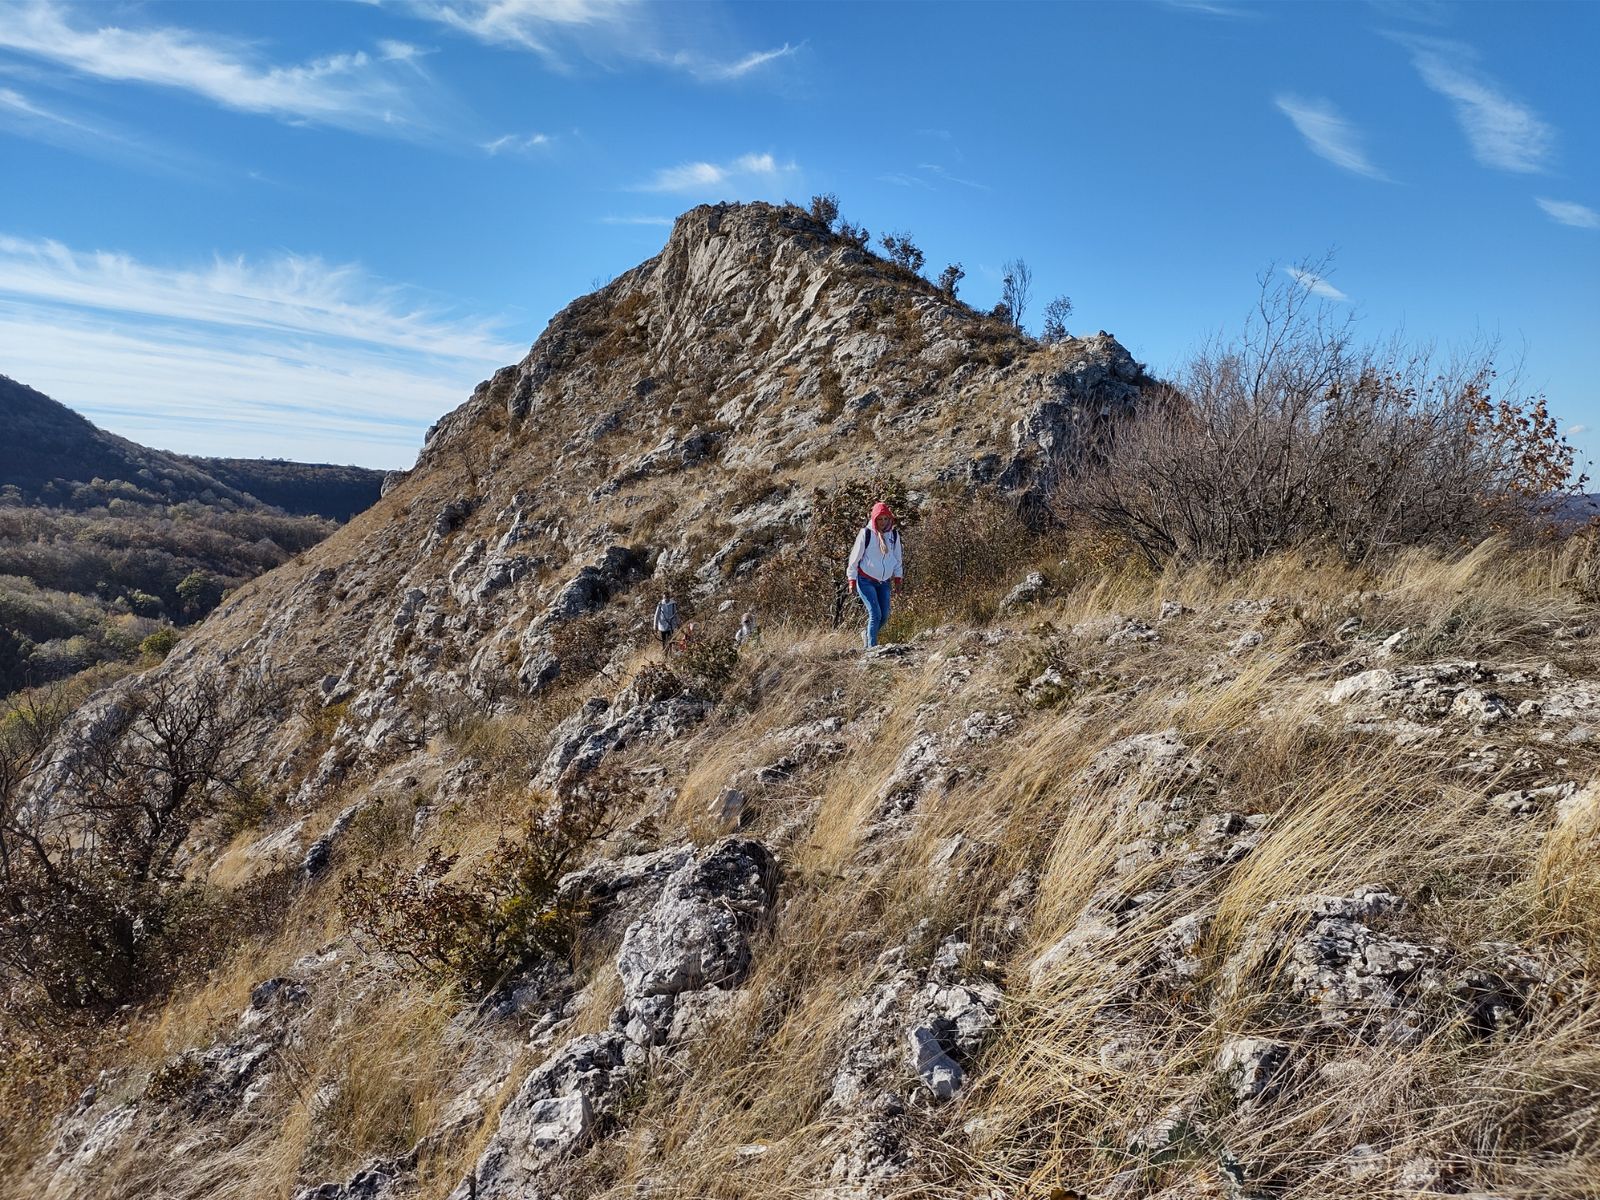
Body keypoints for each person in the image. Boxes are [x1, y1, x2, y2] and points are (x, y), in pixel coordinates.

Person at [846, 501, 904, 649]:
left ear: (890, 519)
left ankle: (867, 634)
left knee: (884, 616)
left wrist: (898, 579)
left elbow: (897, 559)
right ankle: (872, 649)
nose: (883, 522)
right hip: (866, 580)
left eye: (886, 518)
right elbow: (854, 559)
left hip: (884, 582)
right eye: (880, 519)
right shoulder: (866, 534)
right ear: (874, 519)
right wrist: (851, 580)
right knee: (875, 614)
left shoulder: (894, 536)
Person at [653, 593, 679, 657]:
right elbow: (657, 615)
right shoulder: (660, 604)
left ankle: (672, 654)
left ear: (669, 597)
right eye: (665, 597)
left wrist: (678, 623)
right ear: (663, 597)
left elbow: (676, 614)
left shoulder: (673, 604)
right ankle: (665, 654)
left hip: (671, 625)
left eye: (667, 596)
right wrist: (655, 625)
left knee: (671, 640)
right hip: (662, 626)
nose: (666, 598)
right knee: (664, 641)